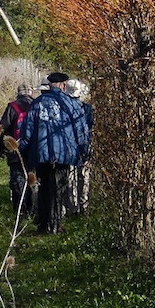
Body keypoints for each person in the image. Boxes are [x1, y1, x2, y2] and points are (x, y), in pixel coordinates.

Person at [18, 71, 89, 234]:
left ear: (49, 86)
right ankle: (56, 223)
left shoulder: (38, 103)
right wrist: (84, 152)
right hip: (64, 154)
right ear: (63, 86)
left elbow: (27, 129)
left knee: (43, 188)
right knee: (60, 188)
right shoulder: (71, 104)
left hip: (41, 154)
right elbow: (81, 129)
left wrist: (22, 150)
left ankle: (44, 224)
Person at [0, 82, 36, 217]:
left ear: (18, 94)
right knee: (31, 177)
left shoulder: (12, 107)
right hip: (33, 149)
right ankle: (31, 208)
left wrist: (0, 148)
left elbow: (1, 129)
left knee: (18, 179)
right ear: (30, 92)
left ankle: (20, 210)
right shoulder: (36, 105)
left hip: (15, 150)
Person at [64, 79, 94, 216]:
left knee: (70, 177)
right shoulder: (86, 109)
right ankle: (84, 206)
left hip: (68, 147)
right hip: (84, 145)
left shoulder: (64, 107)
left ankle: (72, 207)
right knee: (83, 176)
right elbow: (89, 128)